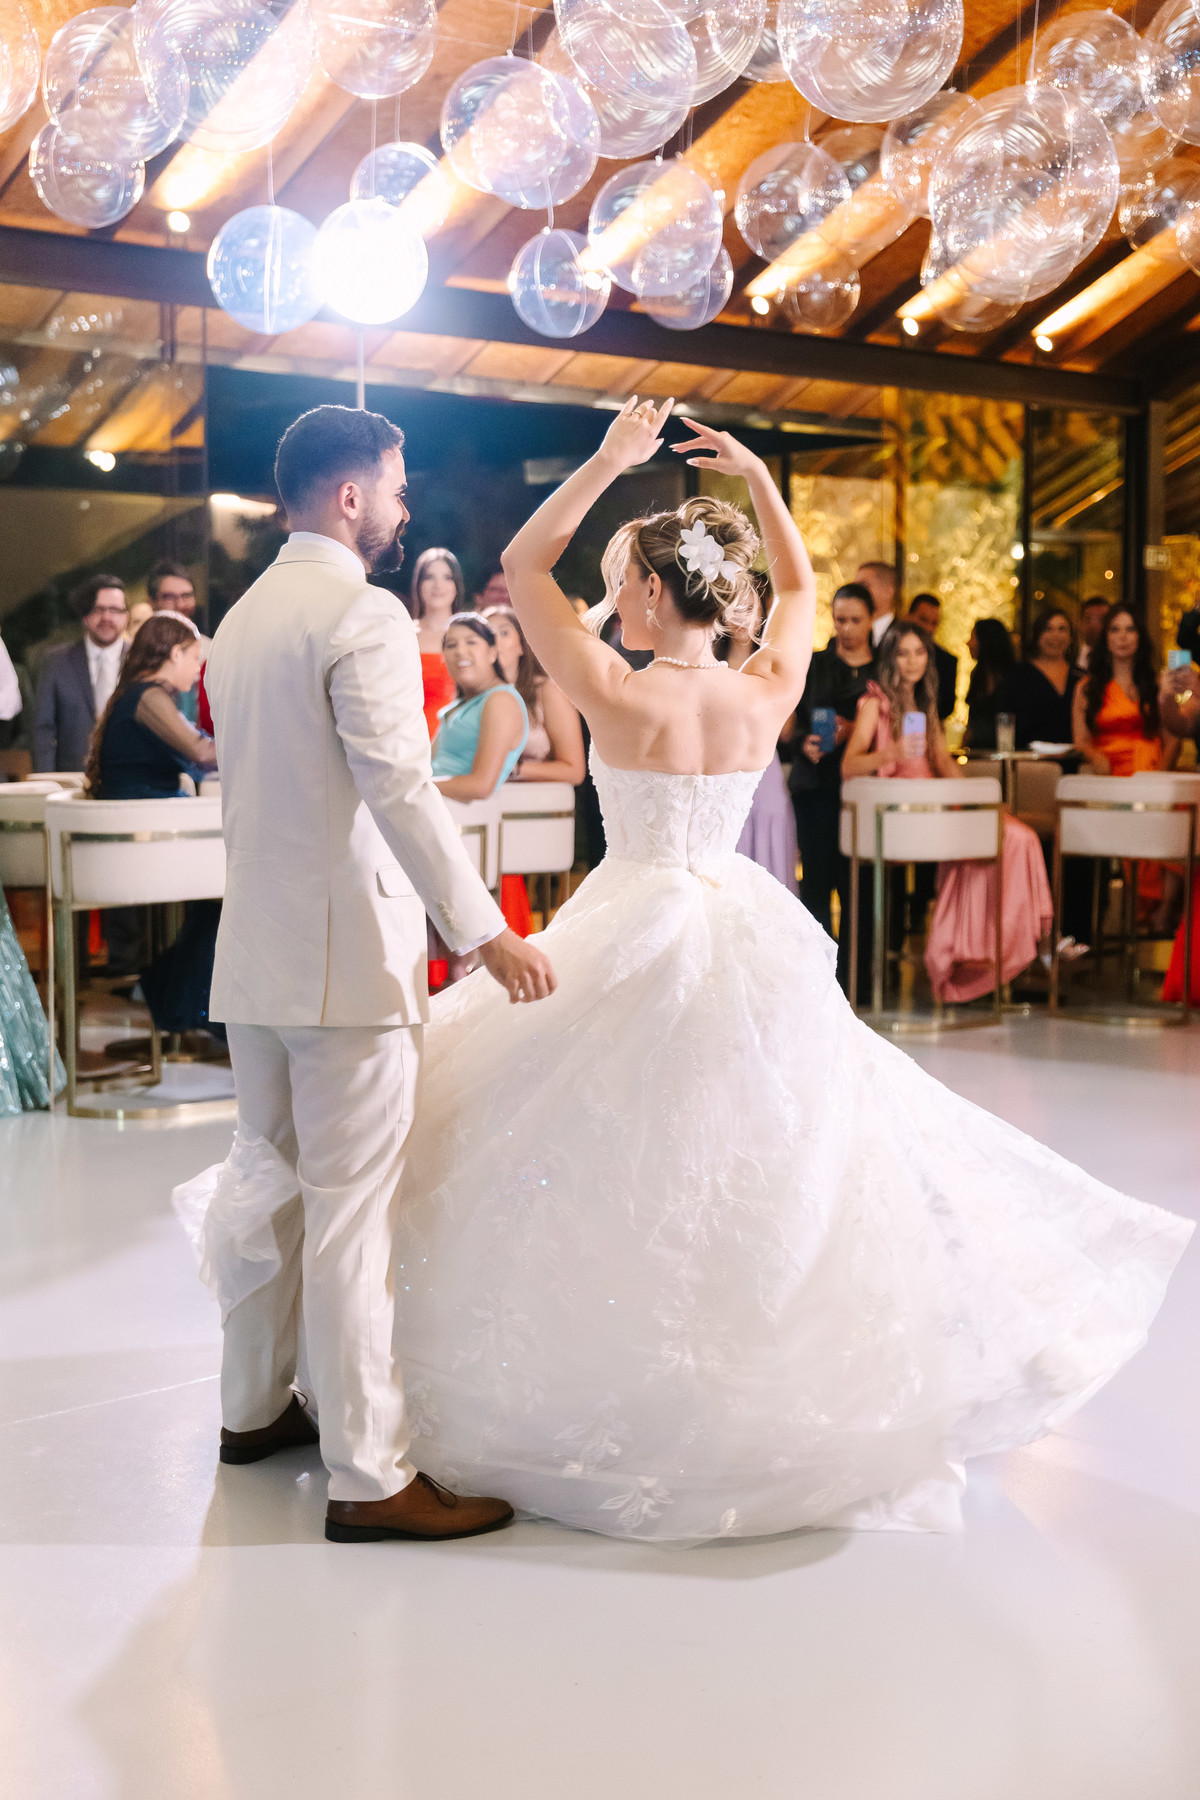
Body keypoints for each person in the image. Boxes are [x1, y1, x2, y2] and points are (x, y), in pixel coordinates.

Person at [382, 398, 1190, 1542]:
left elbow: (519, 566)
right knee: (765, 1148)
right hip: (744, 921)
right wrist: (759, 480)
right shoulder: (765, 690)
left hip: (634, 916)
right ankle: (739, 1361)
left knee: (607, 1144)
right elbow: (804, 594)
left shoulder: (614, 689)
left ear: (652, 594)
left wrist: (613, 464)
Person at [179, 404, 553, 1547]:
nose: (402, 502)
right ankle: (370, 1476)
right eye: (393, 483)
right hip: (347, 966)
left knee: (273, 1192)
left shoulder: (238, 619)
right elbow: (400, 788)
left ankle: (251, 1413)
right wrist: (485, 929)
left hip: (254, 959)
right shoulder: (363, 612)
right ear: (350, 496)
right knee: (350, 1218)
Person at [843, 620, 1054, 1005]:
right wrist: (893, 752)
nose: (912, 662)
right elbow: (849, 765)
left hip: (937, 798)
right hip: (904, 811)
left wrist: (977, 797)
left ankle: (1005, 947)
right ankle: (970, 953)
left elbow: (941, 759)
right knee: (1003, 839)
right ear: (890, 657)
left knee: (1017, 835)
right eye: (903, 653)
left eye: (919, 652)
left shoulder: (925, 704)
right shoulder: (874, 702)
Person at [790, 580, 876, 958]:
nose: (846, 628)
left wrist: (857, 730)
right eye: (840, 619)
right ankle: (817, 967)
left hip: (865, 785)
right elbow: (790, 722)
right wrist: (801, 743)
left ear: (871, 620)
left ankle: (862, 969)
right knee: (817, 879)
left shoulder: (883, 670)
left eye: (855, 620)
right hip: (817, 783)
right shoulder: (815, 664)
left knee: (860, 881)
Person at [717, 578, 798, 892]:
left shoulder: (774, 663)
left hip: (764, 771)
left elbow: (787, 729)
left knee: (769, 849)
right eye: (734, 607)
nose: (741, 616)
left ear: (763, 612)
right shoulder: (708, 662)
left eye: (749, 608)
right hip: (720, 772)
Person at [85, 613, 217, 800]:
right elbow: (201, 751)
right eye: (195, 658)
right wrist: (251, 748)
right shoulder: (148, 698)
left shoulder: (140, 694)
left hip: (145, 810)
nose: (198, 668)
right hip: (142, 816)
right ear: (176, 654)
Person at [32, 573, 128, 773]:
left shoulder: (141, 659)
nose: (107, 617)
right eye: (98, 609)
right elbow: (43, 729)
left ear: (126, 615)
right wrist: (47, 782)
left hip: (128, 777)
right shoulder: (56, 661)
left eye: (115, 610)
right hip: (71, 778)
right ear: (85, 615)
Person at [482, 603, 586, 785]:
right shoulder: (470, 696)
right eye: (486, 636)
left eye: (504, 633)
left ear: (521, 646)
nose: (495, 641)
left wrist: (511, 769)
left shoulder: (547, 691)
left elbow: (574, 771)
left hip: (538, 803)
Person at [1072, 605, 1178, 776]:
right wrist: (1096, 757)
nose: (1122, 637)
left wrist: (1159, 779)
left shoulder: (1158, 685)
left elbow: (1172, 740)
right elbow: (1081, 742)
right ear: (1106, 637)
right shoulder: (1086, 687)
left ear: (1139, 637)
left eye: (1130, 629)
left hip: (1151, 775)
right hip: (1106, 777)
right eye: (1115, 629)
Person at [997, 606, 1078, 748]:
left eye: (1062, 629)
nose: (1055, 636)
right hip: (1029, 762)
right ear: (1037, 634)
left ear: (1071, 637)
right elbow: (1006, 719)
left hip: (1075, 759)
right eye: (1048, 629)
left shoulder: (1080, 677)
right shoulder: (1018, 676)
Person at [409, 545, 464, 738]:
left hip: (460, 744)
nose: (438, 586)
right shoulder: (403, 634)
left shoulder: (472, 635)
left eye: (447, 577)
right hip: (411, 742)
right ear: (418, 584)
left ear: (456, 584)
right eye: (429, 577)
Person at [148, 560, 210, 724]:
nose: (180, 605)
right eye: (169, 597)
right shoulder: (139, 652)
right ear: (152, 601)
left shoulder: (210, 650)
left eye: (186, 596)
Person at [962, 617, 1016, 751]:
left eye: (973, 637)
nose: (968, 643)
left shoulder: (1013, 677)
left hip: (1005, 752)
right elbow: (972, 726)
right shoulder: (978, 674)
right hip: (976, 753)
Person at [907, 592, 958, 720]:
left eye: (934, 623)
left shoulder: (947, 661)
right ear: (909, 617)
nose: (928, 628)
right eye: (923, 620)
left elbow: (946, 707)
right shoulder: (889, 651)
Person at [856, 560, 896, 643]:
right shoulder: (849, 636)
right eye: (856, 587)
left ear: (887, 591)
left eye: (864, 586)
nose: (857, 592)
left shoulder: (903, 636)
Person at [1076, 594, 1110, 671]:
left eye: (1101, 620)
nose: (1094, 625)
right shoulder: (1070, 659)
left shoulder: (1115, 661)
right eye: (1088, 619)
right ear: (1079, 623)